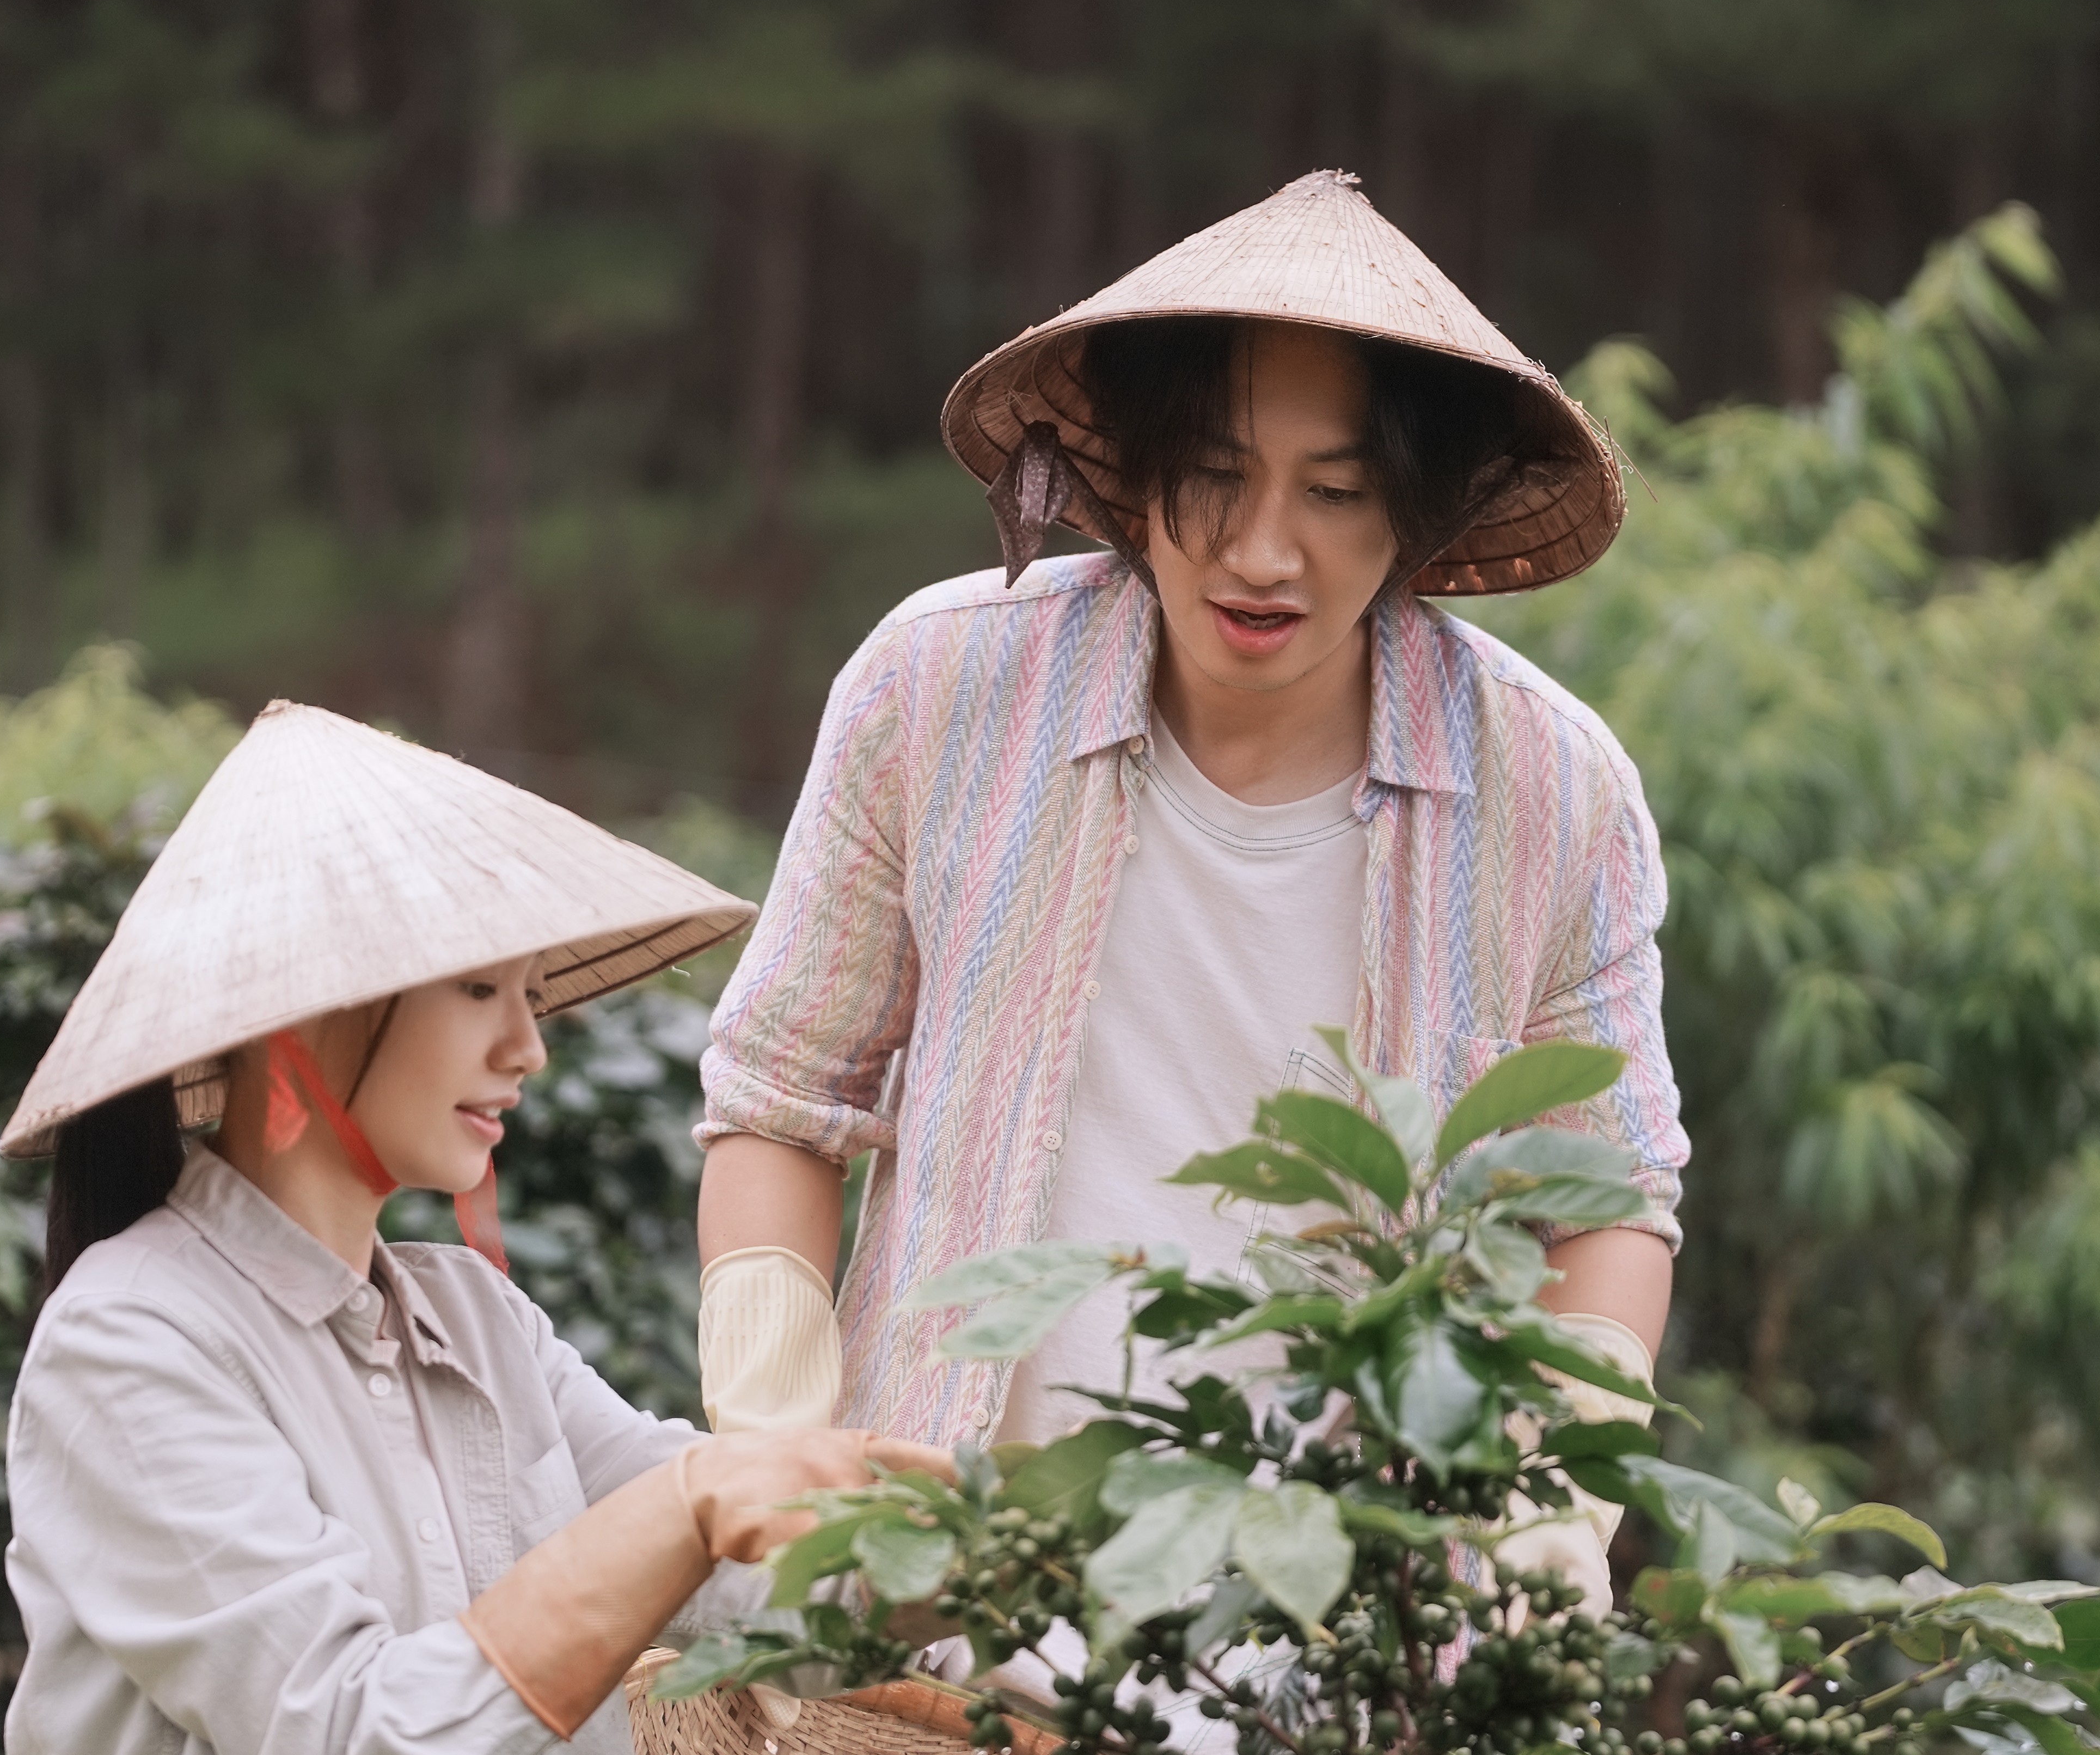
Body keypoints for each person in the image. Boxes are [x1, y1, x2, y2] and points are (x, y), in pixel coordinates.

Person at [0, 702, 951, 1755]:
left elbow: (744, 1563)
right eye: (481, 990)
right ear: (313, 1018)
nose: (530, 1048)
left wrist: (952, 1538)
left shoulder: (476, 1329)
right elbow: (351, 1746)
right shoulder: (132, 1339)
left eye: (533, 993)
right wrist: (688, 1507)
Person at [695, 170, 1686, 1609]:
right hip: (949, 1607)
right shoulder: (943, 694)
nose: (1262, 551)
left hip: (1350, 1657)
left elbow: (1610, 1197)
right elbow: (782, 1099)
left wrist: (1552, 1500)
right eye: (1215, 473)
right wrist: (780, 1439)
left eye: (1336, 492)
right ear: (1133, 464)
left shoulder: (1550, 792)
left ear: (1417, 512)